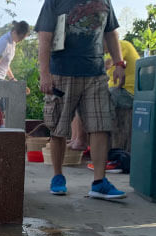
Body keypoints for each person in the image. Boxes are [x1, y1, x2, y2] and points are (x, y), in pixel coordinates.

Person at [36, 0, 127, 199]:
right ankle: (58, 177)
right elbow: (44, 36)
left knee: (100, 125)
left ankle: (99, 182)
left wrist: (119, 63)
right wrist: (44, 73)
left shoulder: (104, 2)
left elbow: (111, 33)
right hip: (62, 72)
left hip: (95, 73)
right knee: (59, 128)